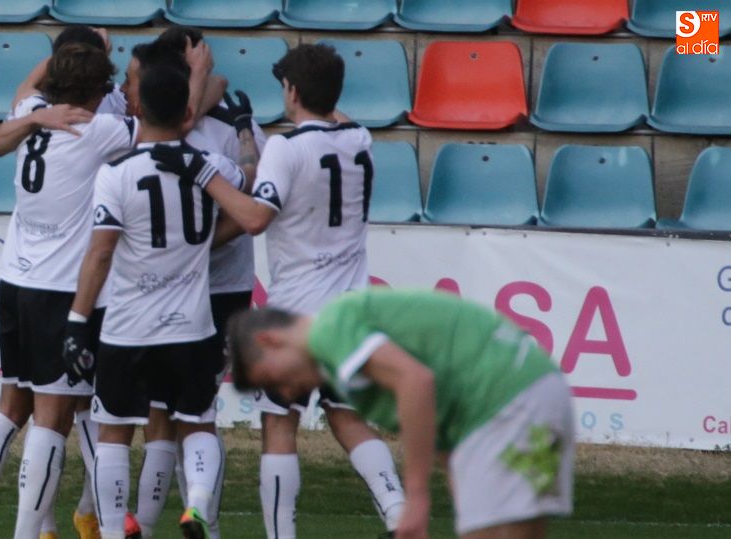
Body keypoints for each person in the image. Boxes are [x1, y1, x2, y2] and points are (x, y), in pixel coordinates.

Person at [154, 43, 407, 539]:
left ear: (291, 91)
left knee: (279, 425)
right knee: (347, 416)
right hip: (351, 308)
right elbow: (332, 114)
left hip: (295, 315)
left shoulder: (288, 150)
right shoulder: (360, 138)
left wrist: (201, 171)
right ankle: (397, 511)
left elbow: (252, 219)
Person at [0, 41, 137, 539]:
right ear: (97, 89)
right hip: (60, 291)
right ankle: (28, 534)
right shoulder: (101, 129)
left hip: (15, 282)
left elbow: (18, 101)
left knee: (11, 406)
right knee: (53, 419)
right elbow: (170, 123)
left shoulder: (32, 111)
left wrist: (63, 60)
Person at [226, 288, 576, 539]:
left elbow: (416, 382)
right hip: (534, 393)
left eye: (271, 379)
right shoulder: (344, 369)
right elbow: (439, 426)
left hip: (504, 404)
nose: (286, 393)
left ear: (269, 342)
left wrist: (417, 497)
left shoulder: (329, 329)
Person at [62, 64, 244, 539]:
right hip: (192, 325)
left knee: (115, 434)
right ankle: (198, 503)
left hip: (128, 328)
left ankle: (115, 527)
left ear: (137, 108)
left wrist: (78, 321)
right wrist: (203, 242)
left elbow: (100, 252)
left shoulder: (117, 173)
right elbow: (246, 209)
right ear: (188, 111)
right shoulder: (212, 168)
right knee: (198, 425)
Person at [121, 26, 265, 539]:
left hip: (193, 286)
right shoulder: (226, 123)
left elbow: (253, 196)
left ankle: (146, 522)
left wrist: (196, 244)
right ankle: (193, 518)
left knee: (166, 413)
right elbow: (255, 187)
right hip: (211, 286)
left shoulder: (166, 125)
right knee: (193, 412)